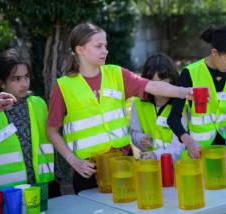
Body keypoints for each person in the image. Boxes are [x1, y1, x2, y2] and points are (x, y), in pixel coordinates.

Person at [47, 22, 192, 194]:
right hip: (87, 170)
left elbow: (153, 86)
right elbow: (52, 130)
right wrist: (73, 161)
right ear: (80, 50)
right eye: (99, 46)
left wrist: (184, 91)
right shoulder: (63, 86)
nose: (105, 51)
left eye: (105, 46)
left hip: (124, 163)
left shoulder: (117, 74)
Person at [0, 49, 60, 197]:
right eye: (16, 79)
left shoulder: (39, 104)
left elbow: (50, 140)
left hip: (44, 185)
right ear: (1, 83)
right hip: (9, 193)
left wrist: (56, 176)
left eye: (26, 77)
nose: (24, 83)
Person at [167, 25, 226, 159]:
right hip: (199, 153)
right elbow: (173, 118)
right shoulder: (190, 74)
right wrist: (189, 142)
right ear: (215, 52)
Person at [131, 53, 185, 161]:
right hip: (151, 168)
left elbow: (179, 145)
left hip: (178, 168)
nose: (158, 88)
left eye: (163, 82)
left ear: (172, 79)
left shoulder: (182, 104)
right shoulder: (137, 103)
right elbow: (134, 134)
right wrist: (141, 139)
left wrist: (156, 155)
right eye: (153, 83)